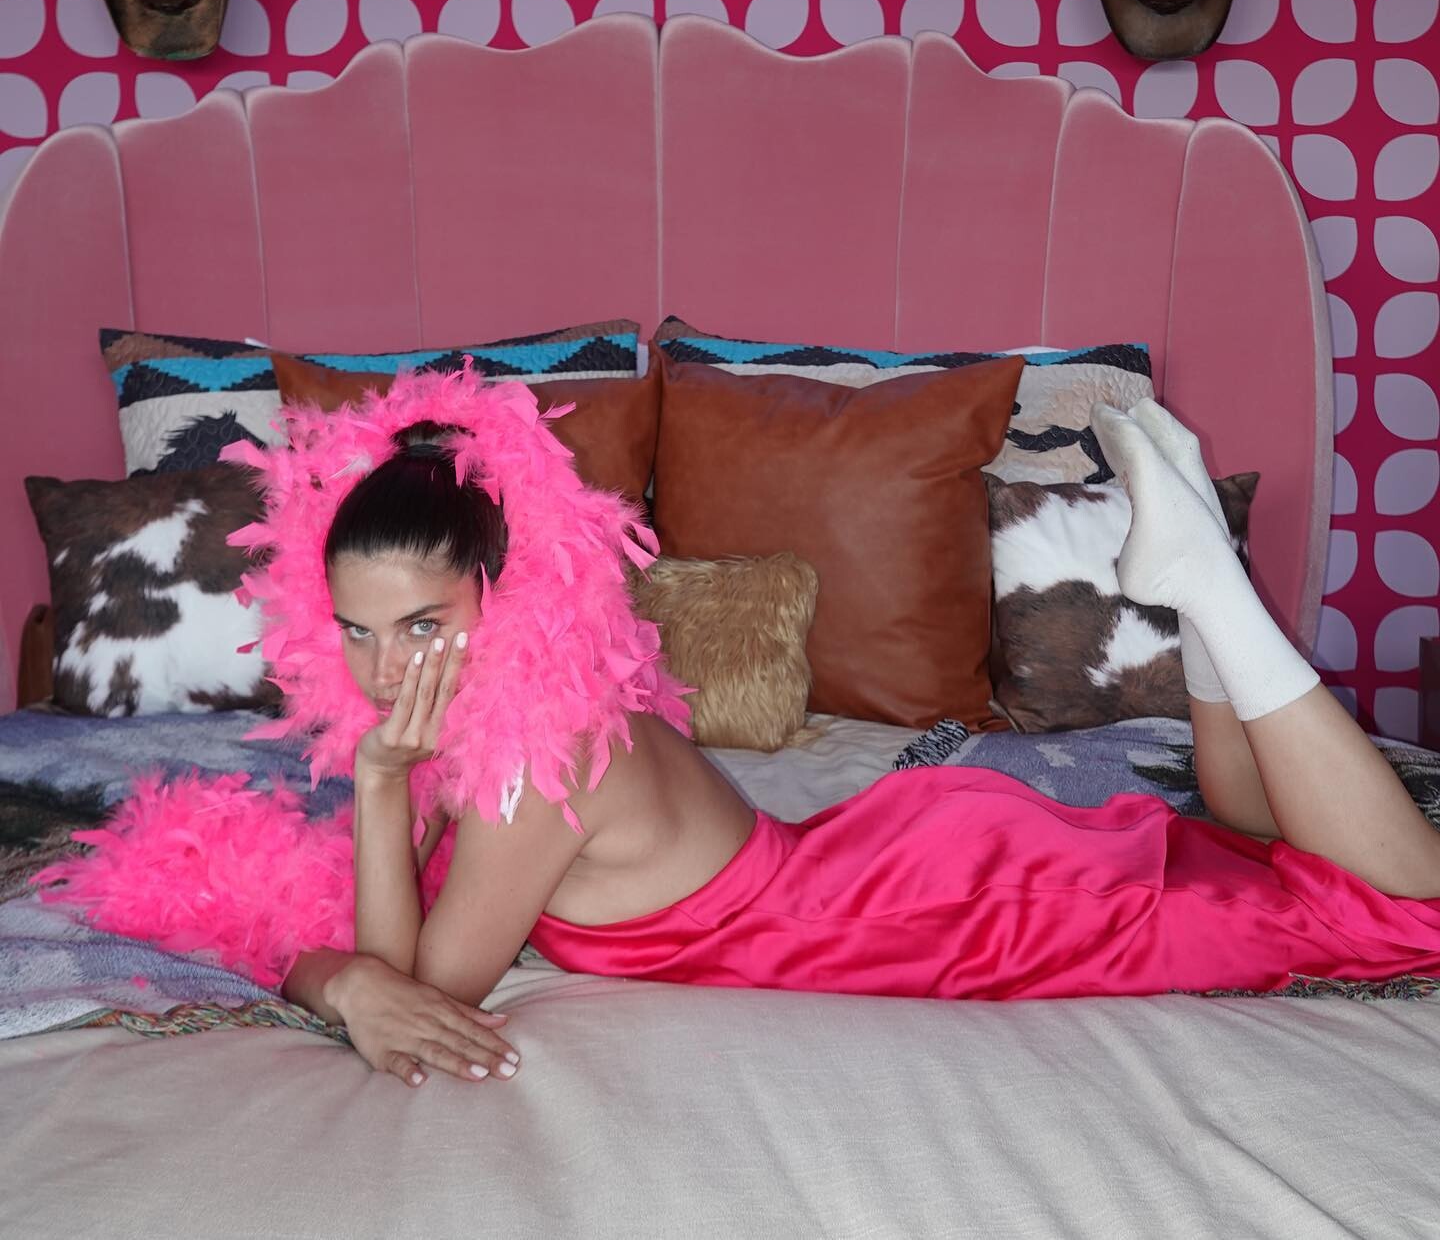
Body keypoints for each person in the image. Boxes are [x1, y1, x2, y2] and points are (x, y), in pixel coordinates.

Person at [38, 371, 1440, 1095]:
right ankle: (1196, 591)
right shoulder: (512, 709)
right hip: (890, 863)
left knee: (1400, 914)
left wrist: (376, 819)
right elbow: (381, 936)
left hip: (926, 920)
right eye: (355, 632)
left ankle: (1211, 591)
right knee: (1246, 843)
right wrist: (382, 809)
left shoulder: (535, 762)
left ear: (502, 595)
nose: (385, 667)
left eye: (423, 625)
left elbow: (414, 985)